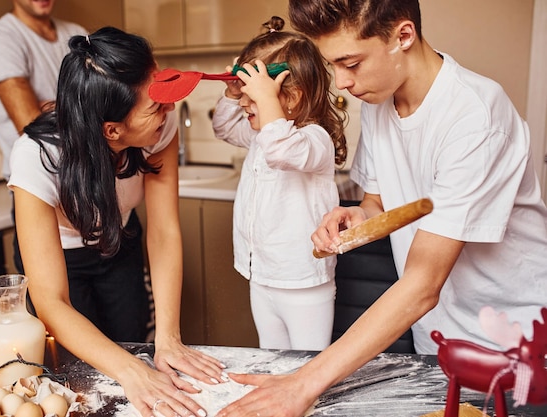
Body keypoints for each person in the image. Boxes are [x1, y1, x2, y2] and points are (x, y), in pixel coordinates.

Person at [213, 1, 547, 416]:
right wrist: (356, 219)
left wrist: (303, 383)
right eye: (333, 64)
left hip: (516, 347)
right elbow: (378, 203)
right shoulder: (378, 101)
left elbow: (424, 282)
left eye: (350, 62)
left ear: (402, 37)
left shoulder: (475, 116)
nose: (340, 82)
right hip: (439, 342)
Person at [8, 27, 227, 417]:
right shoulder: (36, 156)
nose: (167, 111)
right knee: (80, 376)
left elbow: (163, 231)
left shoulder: (159, 126)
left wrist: (169, 339)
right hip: (64, 260)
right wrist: (131, 373)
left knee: (134, 344)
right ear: (112, 130)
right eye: (154, 107)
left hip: (120, 244)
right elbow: (50, 300)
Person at [210, 16, 347, 351]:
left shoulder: (313, 140)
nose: (244, 104)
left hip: (303, 283)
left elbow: (282, 150)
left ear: (292, 97)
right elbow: (224, 128)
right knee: (272, 361)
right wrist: (233, 93)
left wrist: (266, 101)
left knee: (306, 364)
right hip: (263, 277)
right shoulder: (262, 136)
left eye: (253, 96)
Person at [0, 0, 87, 274]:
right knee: (61, 307)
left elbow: (109, 101)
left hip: (93, 182)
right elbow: (31, 123)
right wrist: (87, 107)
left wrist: (53, 105)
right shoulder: (0, 39)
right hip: (44, 191)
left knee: (129, 313)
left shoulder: (77, 33)